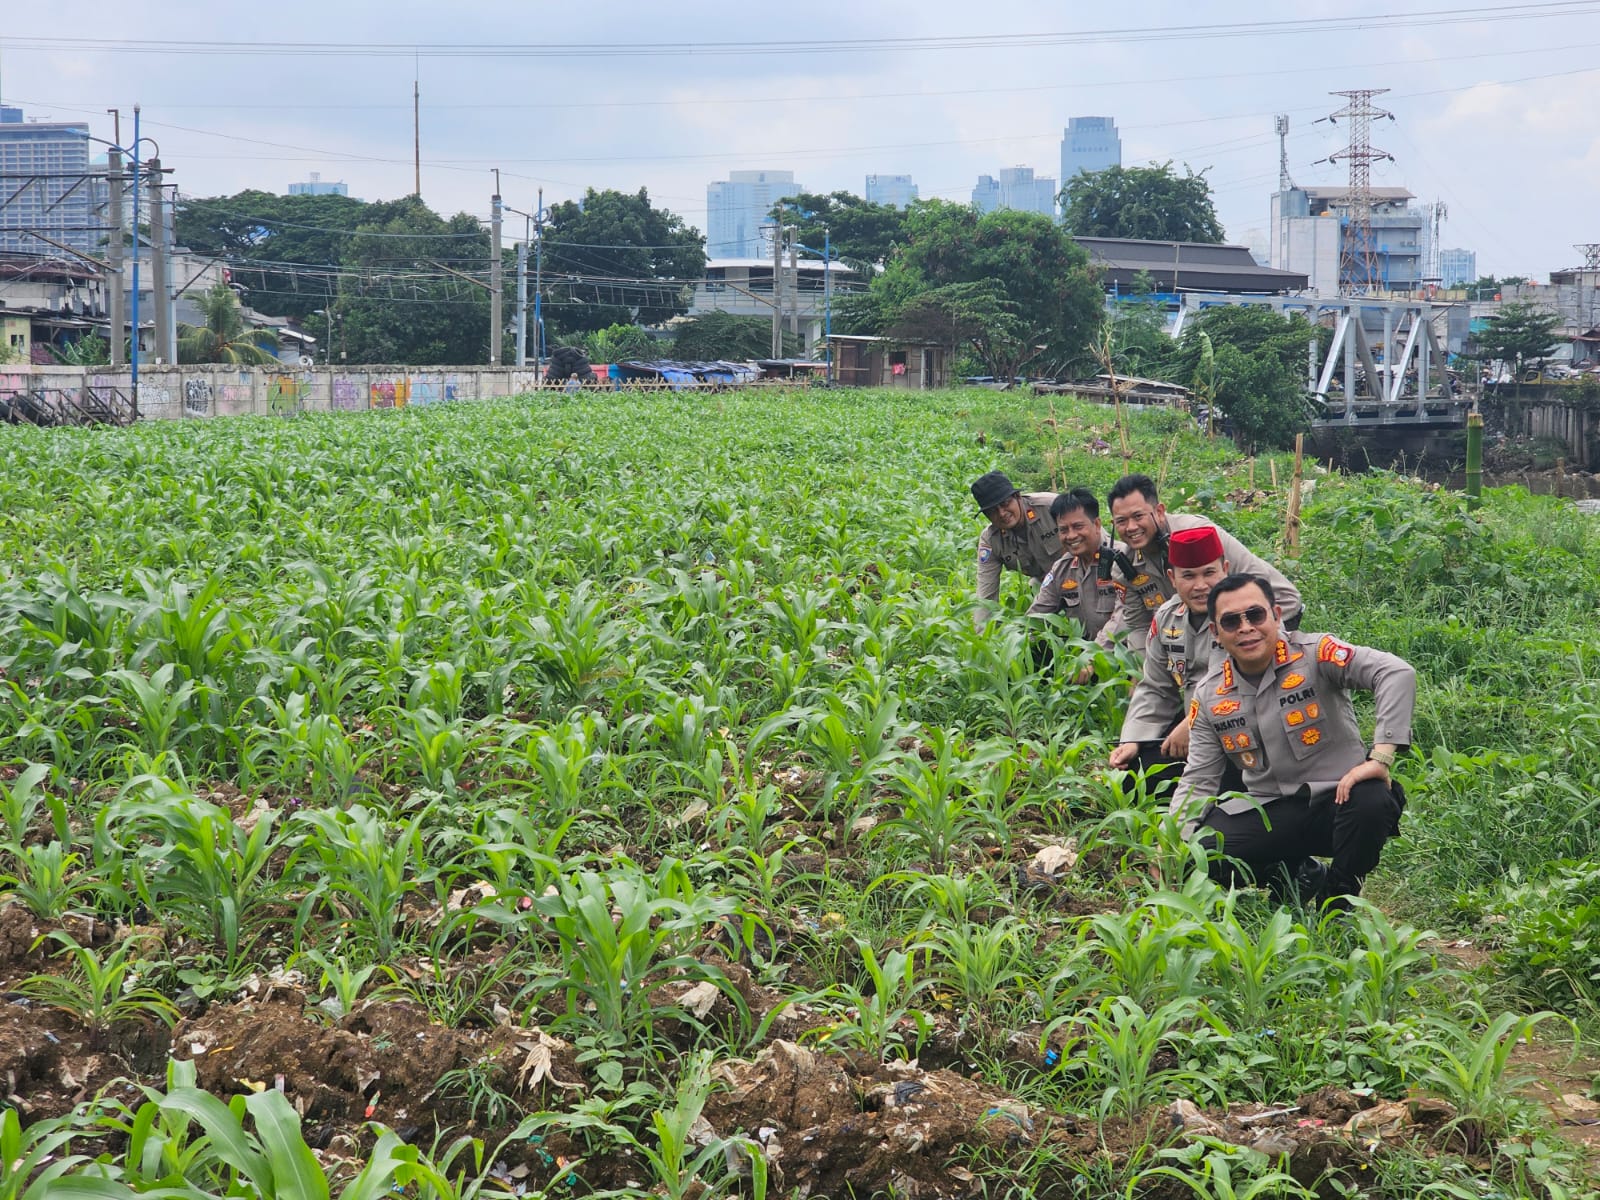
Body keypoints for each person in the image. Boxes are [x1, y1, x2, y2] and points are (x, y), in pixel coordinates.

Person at [1171, 573, 1414, 907]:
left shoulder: (1316, 654)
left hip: (1337, 802)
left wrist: (1380, 757)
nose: (1245, 628)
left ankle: (1339, 898)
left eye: (1255, 615)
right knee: (1196, 858)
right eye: (1230, 621)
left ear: (1276, 614)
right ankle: (1294, 873)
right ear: (1216, 632)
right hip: (1269, 809)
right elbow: (1199, 778)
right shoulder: (1211, 694)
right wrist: (1173, 843)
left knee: (1372, 799)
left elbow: (1395, 672)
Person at [1108, 526, 1240, 796]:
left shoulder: (1244, 613)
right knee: (1133, 778)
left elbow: (1241, 684)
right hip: (1191, 722)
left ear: (1225, 569)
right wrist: (1135, 737)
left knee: (1220, 795)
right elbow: (1156, 686)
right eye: (1188, 576)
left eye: (1209, 573)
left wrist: (1193, 723)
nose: (1200, 585)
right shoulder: (1168, 617)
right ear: (1172, 578)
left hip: (1241, 726)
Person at [1105, 473, 1302, 653]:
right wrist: (1142, 671)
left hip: (1271, 609)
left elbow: (1259, 582)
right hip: (1206, 620)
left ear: (1159, 512)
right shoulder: (1124, 565)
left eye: (1138, 516)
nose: (1131, 527)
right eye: (1122, 521)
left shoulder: (1198, 535)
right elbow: (1138, 625)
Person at [1027, 489, 1128, 645]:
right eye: (1063, 530)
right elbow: (1036, 616)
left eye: (1078, 526)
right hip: (1083, 653)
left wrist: (1094, 657)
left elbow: (1125, 616)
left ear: (1096, 524)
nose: (1071, 536)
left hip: (1124, 654)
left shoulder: (1122, 558)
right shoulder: (1062, 568)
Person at [971, 471, 1061, 630]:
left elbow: (1097, 543)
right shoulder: (991, 540)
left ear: (1018, 497)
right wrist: (983, 639)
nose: (1002, 514)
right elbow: (986, 595)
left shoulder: (1052, 506)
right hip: (1045, 585)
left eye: (1005, 504)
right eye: (993, 511)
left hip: (1084, 576)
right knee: (1029, 633)